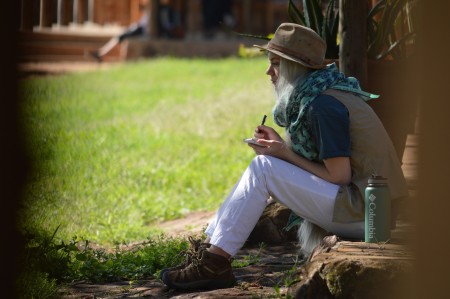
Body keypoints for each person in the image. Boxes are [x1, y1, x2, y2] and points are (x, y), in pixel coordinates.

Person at [161, 23, 409, 291]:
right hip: (365, 206)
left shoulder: (321, 106)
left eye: (275, 64)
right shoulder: (323, 93)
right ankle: (209, 253)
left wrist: (282, 153)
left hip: (369, 216)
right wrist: (281, 149)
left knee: (263, 168)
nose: (269, 72)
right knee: (265, 167)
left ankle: (213, 263)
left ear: (294, 67)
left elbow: (340, 176)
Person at [89, 0, 184, 62]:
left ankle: (102, 53)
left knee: (120, 38)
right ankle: (102, 53)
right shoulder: (151, 9)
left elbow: (166, 26)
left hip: (143, 30)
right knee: (121, 37)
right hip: (140, 28)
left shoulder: (164, 10)